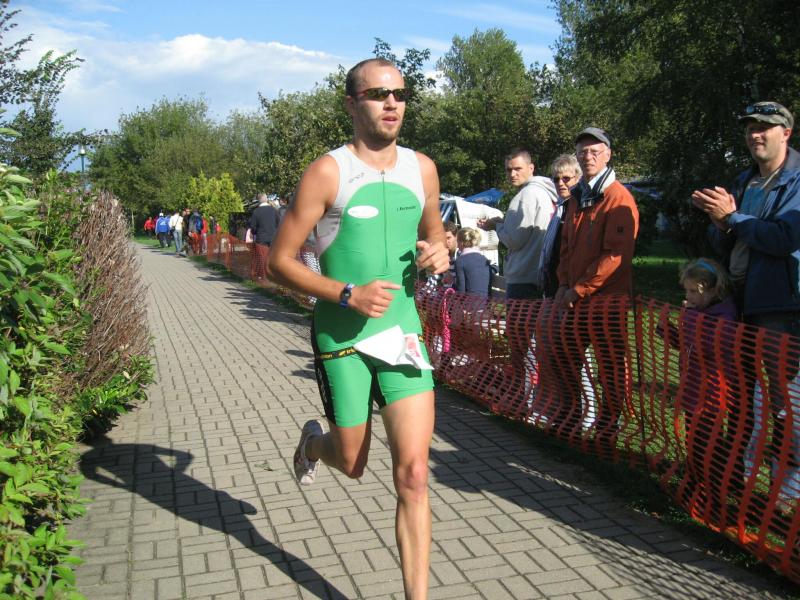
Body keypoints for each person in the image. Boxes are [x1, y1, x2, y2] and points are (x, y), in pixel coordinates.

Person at [268, 58, 449, 598]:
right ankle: (312, 446)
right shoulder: (329, 172)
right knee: (352, 462)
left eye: (400, 94)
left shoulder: (423, 168)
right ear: (351, 104)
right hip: (341, 337)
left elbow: (436, 235)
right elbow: (279, 262)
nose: (391, 103)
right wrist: (348, 293)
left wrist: (440, 251)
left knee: (413, 475)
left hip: (402, 335)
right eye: (377, 94)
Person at [692, 101, 800, 505]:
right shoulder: (745, 180)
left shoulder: (797, 181)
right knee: (740, 396)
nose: (756, 134)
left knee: (785, 402)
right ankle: (736, 481)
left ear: (786, 132)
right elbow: (724, 241)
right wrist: (720, 224)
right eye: (750, 127)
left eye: (764, 127)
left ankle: (787, 489)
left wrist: (733, 219)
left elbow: (784, 239)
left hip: (780, 307)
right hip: (739, 303)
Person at [550, 127, 639, 450]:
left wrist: (579, 288)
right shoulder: (578, 197)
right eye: (583, 152)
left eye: (594, 151)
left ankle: (607, 431)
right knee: (564, 355)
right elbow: (567, 246)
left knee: (611, 369)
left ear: (608, 155)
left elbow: (615, 255)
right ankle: (570, 420)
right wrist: (563, 283)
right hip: (575, 298)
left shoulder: (618, 197)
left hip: (606, 302)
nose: (588, 157)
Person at [658, 259, 737, 508]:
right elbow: (686, 344)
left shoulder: (724, 316)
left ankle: (712, 493)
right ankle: (696, 483)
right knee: (694, 439)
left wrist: (689, 317)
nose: (688, 296)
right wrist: (668, 330)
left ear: (711, 290)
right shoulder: (698, 313)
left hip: (712, 392)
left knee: (708, 443)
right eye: (687, 291)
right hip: (693, 386)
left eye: (693, 291)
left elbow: (708, 347)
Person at [478, 149, 557, 299]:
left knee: (520, 316)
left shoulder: (525, 195)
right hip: (540, 274)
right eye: (509, 170)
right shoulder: (546, 192)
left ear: (531, 168)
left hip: (523, 276)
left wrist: (495, 226)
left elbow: (514, 240)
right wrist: (503, 223)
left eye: (518, 169)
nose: (513, 174)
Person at [539, 154, 582, 299]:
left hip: (569, 288)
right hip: (552, 284)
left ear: (578, 178)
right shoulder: (560, 208)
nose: (560, 183)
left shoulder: (579, 209)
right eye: (556, 179)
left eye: (566, 178)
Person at [249, 193, 281, 279]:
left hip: (261, 238)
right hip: (273, 237)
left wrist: (254, 232)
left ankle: (262, 275)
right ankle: (273, 274)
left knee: (262, 257)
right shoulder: (274, 210)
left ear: (258, 201)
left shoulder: (256, 212)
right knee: (272, 256)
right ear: (266, 199)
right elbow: (279, 224)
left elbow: (253, 227)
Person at [454, 227, 492, 296]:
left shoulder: (460, 261)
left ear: (461, 243)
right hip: (485, 302)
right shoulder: (485, 259)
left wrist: (452, 284)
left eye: (457, 241)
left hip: (469, 301)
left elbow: (461, 291)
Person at [442, 221, 459, 287]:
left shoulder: (461, 255)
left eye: (448, 238)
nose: (446, 242)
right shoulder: (443, 255)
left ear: (456, 237)